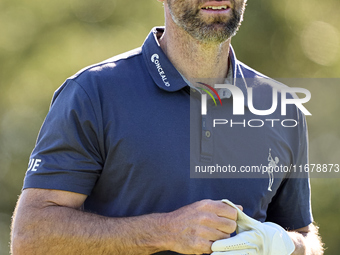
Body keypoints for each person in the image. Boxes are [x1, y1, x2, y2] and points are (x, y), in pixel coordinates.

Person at [11, 0, 324, 254]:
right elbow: (31, 236)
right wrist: (164, 231)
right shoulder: (93, 93)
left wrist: (282, 245)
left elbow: (305, 237)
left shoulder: (282, 106)